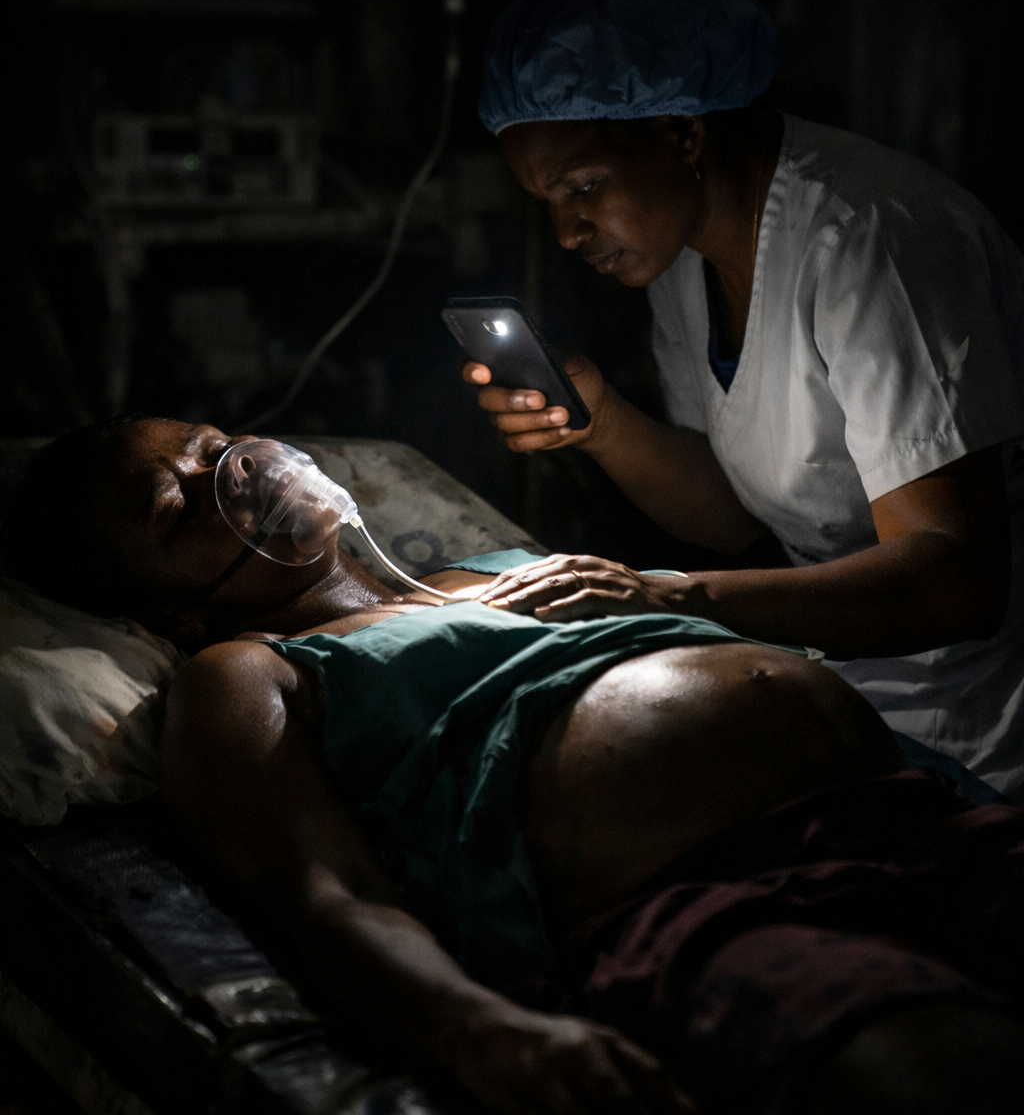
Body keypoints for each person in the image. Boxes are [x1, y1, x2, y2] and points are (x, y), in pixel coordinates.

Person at [3, 416, 1023, 1114]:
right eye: (177, 510)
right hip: (703, 905)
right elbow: (328, 897)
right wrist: (480, 1029)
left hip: (912, 821)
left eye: (217, 448)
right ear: (167, 615)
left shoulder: (498, 568)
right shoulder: (243, 677)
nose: (230, 478)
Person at [465, 0, 1024, 800]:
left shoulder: (869, 235)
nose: (570, 232)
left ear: (683, 134)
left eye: (583, 186)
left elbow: (955, 578)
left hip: (988, 729)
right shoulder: (683, 258)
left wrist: (663, 597)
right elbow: (729, 519)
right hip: (856, 701)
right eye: (548, 203)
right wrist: (604, 423)